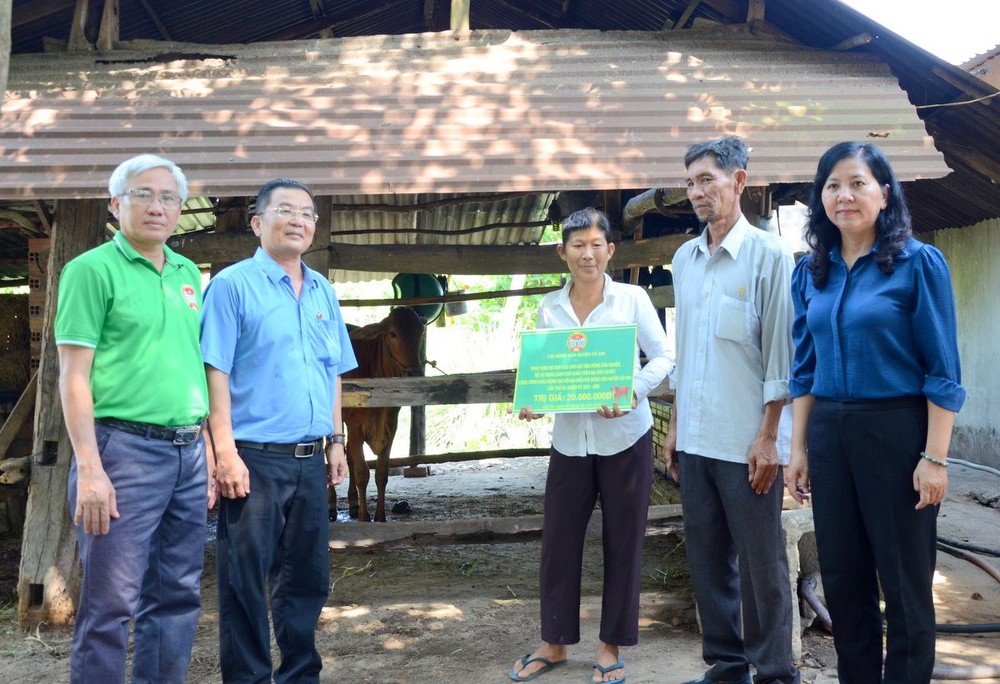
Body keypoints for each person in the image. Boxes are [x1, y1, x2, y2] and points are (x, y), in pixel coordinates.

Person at [784, 142, 965, 684]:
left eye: (858, 183)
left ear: (884, 194)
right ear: (821, 199)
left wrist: (935, 457)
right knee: (843, 579)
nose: (845, 195)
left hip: (897, 430)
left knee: (905, 583)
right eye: (834, 185)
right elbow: (804, 370)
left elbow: (943, 371)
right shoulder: (811, 274)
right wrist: (798, 449)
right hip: (831, 436)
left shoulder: (918, 264)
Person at [55, 154, 211, 683]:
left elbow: (193, 368)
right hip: (121, 452)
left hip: (187, 454)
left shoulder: (189, 274)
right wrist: (91, 470)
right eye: (143, 194)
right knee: (110, 604)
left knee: (177, 597)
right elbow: (73, 376)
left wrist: (207, 449)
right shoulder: (90, 270)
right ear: (115, 203)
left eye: (168, 197)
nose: (156, 207)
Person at [200, 178, 356, 683]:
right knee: (245, 583)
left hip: (312, 457)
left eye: (307, 213)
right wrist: (225, 452)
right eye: (285, 210)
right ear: (257, 222)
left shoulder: (323, 290)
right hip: (254, 457)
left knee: (307, 580)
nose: (298, 220)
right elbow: (213, 372)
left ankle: (299, 675)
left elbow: (333, 370)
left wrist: (337, 441)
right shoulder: (231, 286)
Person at [508, 207, 673, 684]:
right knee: (558, 542)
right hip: (570, 443)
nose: (587, 254)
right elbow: (548, 373)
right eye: (577, 245)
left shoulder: (631, 300)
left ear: (610, 250)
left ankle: (610, 646)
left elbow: (664, 356)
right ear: (563, 252)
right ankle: (554, 642)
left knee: (624, 542)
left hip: (626, 438)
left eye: (596, 244)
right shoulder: (549, 307)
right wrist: (536, 402)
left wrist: (633, 392)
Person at [664, 135, 800, 684]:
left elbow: (780, 359)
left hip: (748, 444)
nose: (697, 192)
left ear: (739, 181)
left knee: (763, 567)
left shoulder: (769, 257)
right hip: (695, 440)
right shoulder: (684, 259)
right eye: (691, 182)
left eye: (707, 180)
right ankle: (726, 665)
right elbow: (686, 352)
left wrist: (770, 438)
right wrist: (673, 428)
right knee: (708, 561)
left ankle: (774, 672)